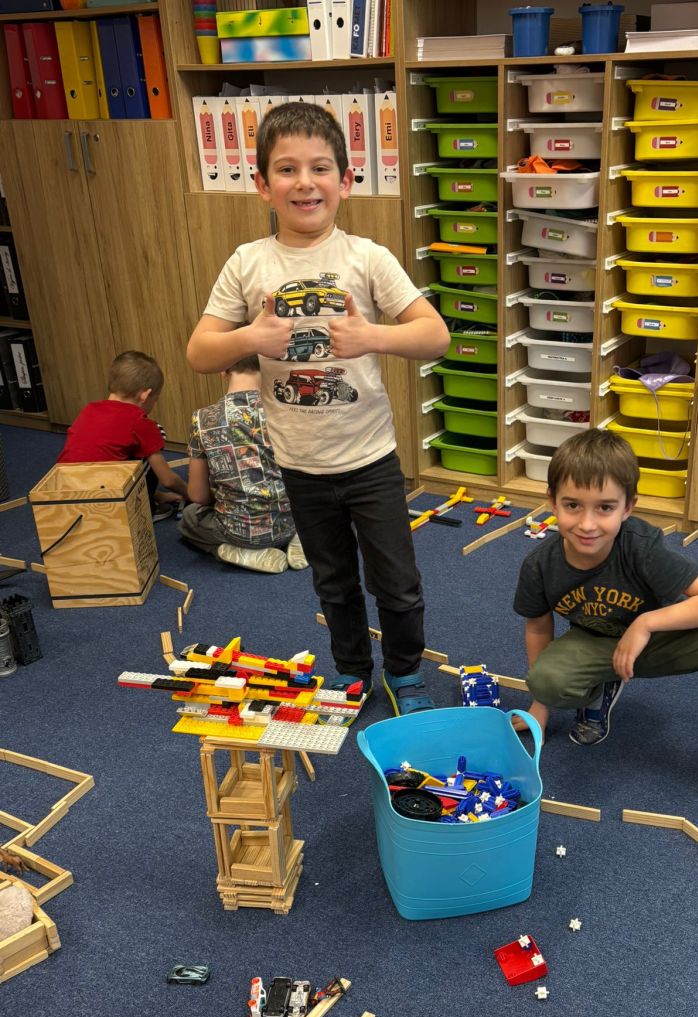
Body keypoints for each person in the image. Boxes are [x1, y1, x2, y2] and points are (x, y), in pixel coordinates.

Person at [186, 102, 450, 714]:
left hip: (370, 459)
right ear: (262, 185)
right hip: (300, 465)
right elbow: (200, 351)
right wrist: (252, 337)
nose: (304, 182)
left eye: (320, 168)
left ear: (345, 180)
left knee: (397, 582)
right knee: (332, 581)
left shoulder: (366, 257)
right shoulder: (248, 262)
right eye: (287, 169)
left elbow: (434, 335)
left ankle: (406, 674)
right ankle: (353, 672)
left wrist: (372, 337)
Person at [513, 429, 698, 812]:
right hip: (596, 642)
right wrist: (540, 706)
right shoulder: (539, 565)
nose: (587, 524)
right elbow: (537, 626)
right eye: (573, 505)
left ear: (628, 507)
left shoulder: (641, 546)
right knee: (546, 680)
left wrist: (645, 623)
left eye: (605, 508)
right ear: (552, 501)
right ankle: (600, 688)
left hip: (659, 640)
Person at [179, 355, 307, 574]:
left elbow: (198, 495)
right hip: (292, 522)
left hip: (238, 532)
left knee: (189, 517)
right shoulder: (288, 411)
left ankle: (236, 551)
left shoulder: (202, 419)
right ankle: (302, 540)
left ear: (223, 369)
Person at [57, 351, 188, 520]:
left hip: (65, 492)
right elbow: (168, 480)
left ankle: (153, 497)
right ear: (145, 395)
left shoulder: (89, 409)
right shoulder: (139, 422)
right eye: (155, 399)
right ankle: (146, 507)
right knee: (156, 434)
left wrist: (160, 495)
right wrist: (192, 493)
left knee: (131, 447)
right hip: (108, 500)